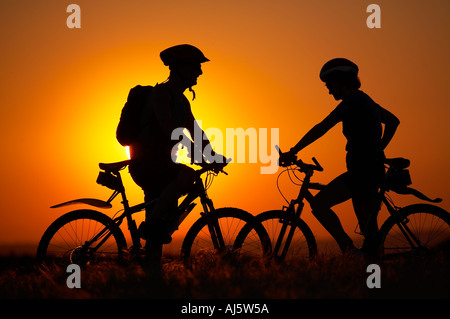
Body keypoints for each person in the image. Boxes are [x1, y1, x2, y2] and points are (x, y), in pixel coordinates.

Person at [280, 58, 400, 256]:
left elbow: (322, 128)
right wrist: (379, 147)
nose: (328, 90)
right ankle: (373, 271)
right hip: (369, 168)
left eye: (329, 85)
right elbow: (393, 121)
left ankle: (349, 251)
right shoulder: (365, 100)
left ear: (341, 81)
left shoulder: (351, 103)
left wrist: (293, 151)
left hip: (362, 171)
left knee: (319, 204)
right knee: (369, 230)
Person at [128, 44, 226, 262]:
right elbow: (169, 129)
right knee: (187, 176)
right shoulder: (160, 94)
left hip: (162, 165)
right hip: (147, 164)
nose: (199, 72)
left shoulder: (181, 100)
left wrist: (213, 156)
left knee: (164, 222)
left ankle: (151, 275)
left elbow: (196, 132)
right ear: (178, 67)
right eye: (195, 67)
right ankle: (150, 226)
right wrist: (195, 154)